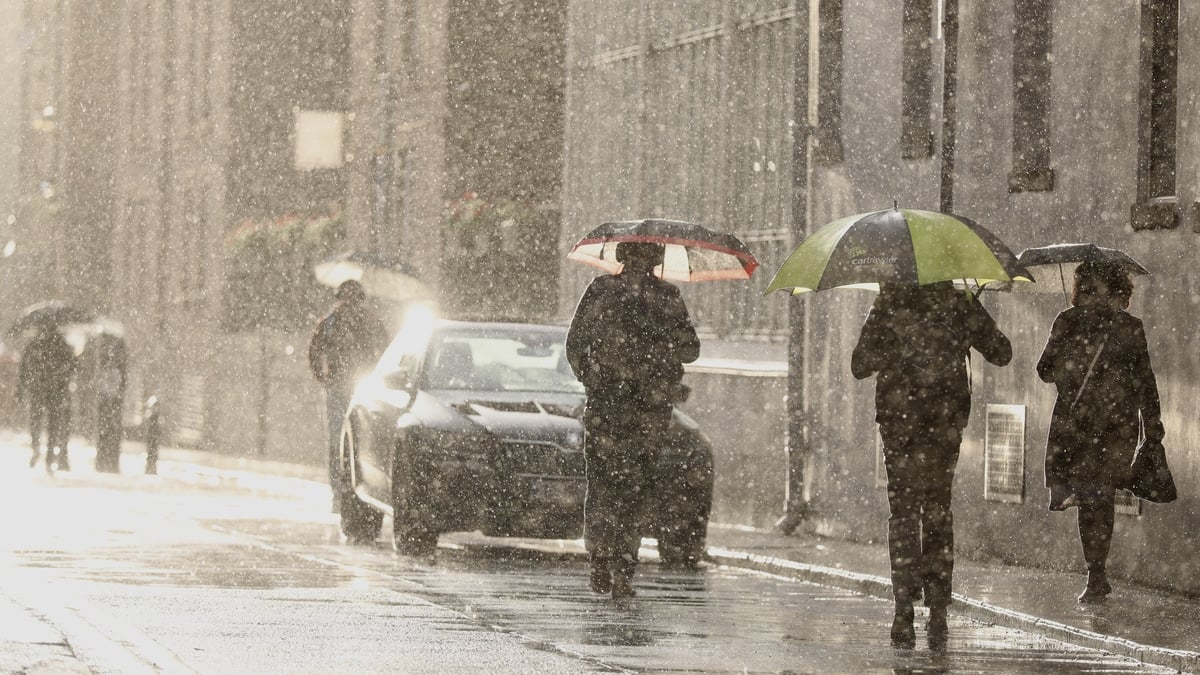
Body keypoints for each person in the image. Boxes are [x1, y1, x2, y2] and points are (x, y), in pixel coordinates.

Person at [851, 281, 1011, 648]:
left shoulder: (889, 302)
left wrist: (894, 343)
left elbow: (860, 365)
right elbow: (1002, 353)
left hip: (899, 422)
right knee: (938, 510)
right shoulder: (960, 301)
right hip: (944, 421)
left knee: (904, 514)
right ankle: (938, 610)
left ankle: (903, 610)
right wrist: (967, 324)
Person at [566, 241, 701, 600]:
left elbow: (574, 345)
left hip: (612, 408)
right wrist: (663, 346)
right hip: (645, 411)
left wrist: (593, 376)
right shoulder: (667, 297)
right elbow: (691, 348)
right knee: (634, 491)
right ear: (657, 260)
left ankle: (603, 560)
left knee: (605, 487)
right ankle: (621, 568)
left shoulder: (601, 290)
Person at [1036, 260, 1163, 604]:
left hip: (1079, 426)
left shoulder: (1068, 322)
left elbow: (1044, 370)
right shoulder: (1128, 327)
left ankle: (1096, 574)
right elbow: (1144, 382)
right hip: (1114, 428)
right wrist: (1153, 428)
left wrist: (1069, 360)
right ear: (1120, 292)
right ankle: (1096, 573)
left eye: (1089, 288)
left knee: (1091, 499)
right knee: (1098, 498)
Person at [308, 280, 388, 511]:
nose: (351, 303)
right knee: (342, 440)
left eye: (354, 299)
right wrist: (323, 378)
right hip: (346, 387)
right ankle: (344, 491)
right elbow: (315, 351)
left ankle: (350, 491)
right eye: (348, 298)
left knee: (345, 440)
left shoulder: (365, 322)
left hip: (357, 387)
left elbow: (314, 351)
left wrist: (323, 377)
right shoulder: (334, 323)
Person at [17, 324, 78, 472]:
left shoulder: (35, 344)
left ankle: (36, 448)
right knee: (54, 424)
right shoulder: (63, 345)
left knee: (36, 421)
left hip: (38, 389)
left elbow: (24, 369)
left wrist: (20, 389)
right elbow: (74, 367)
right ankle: (50, 456)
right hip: (56, 391)